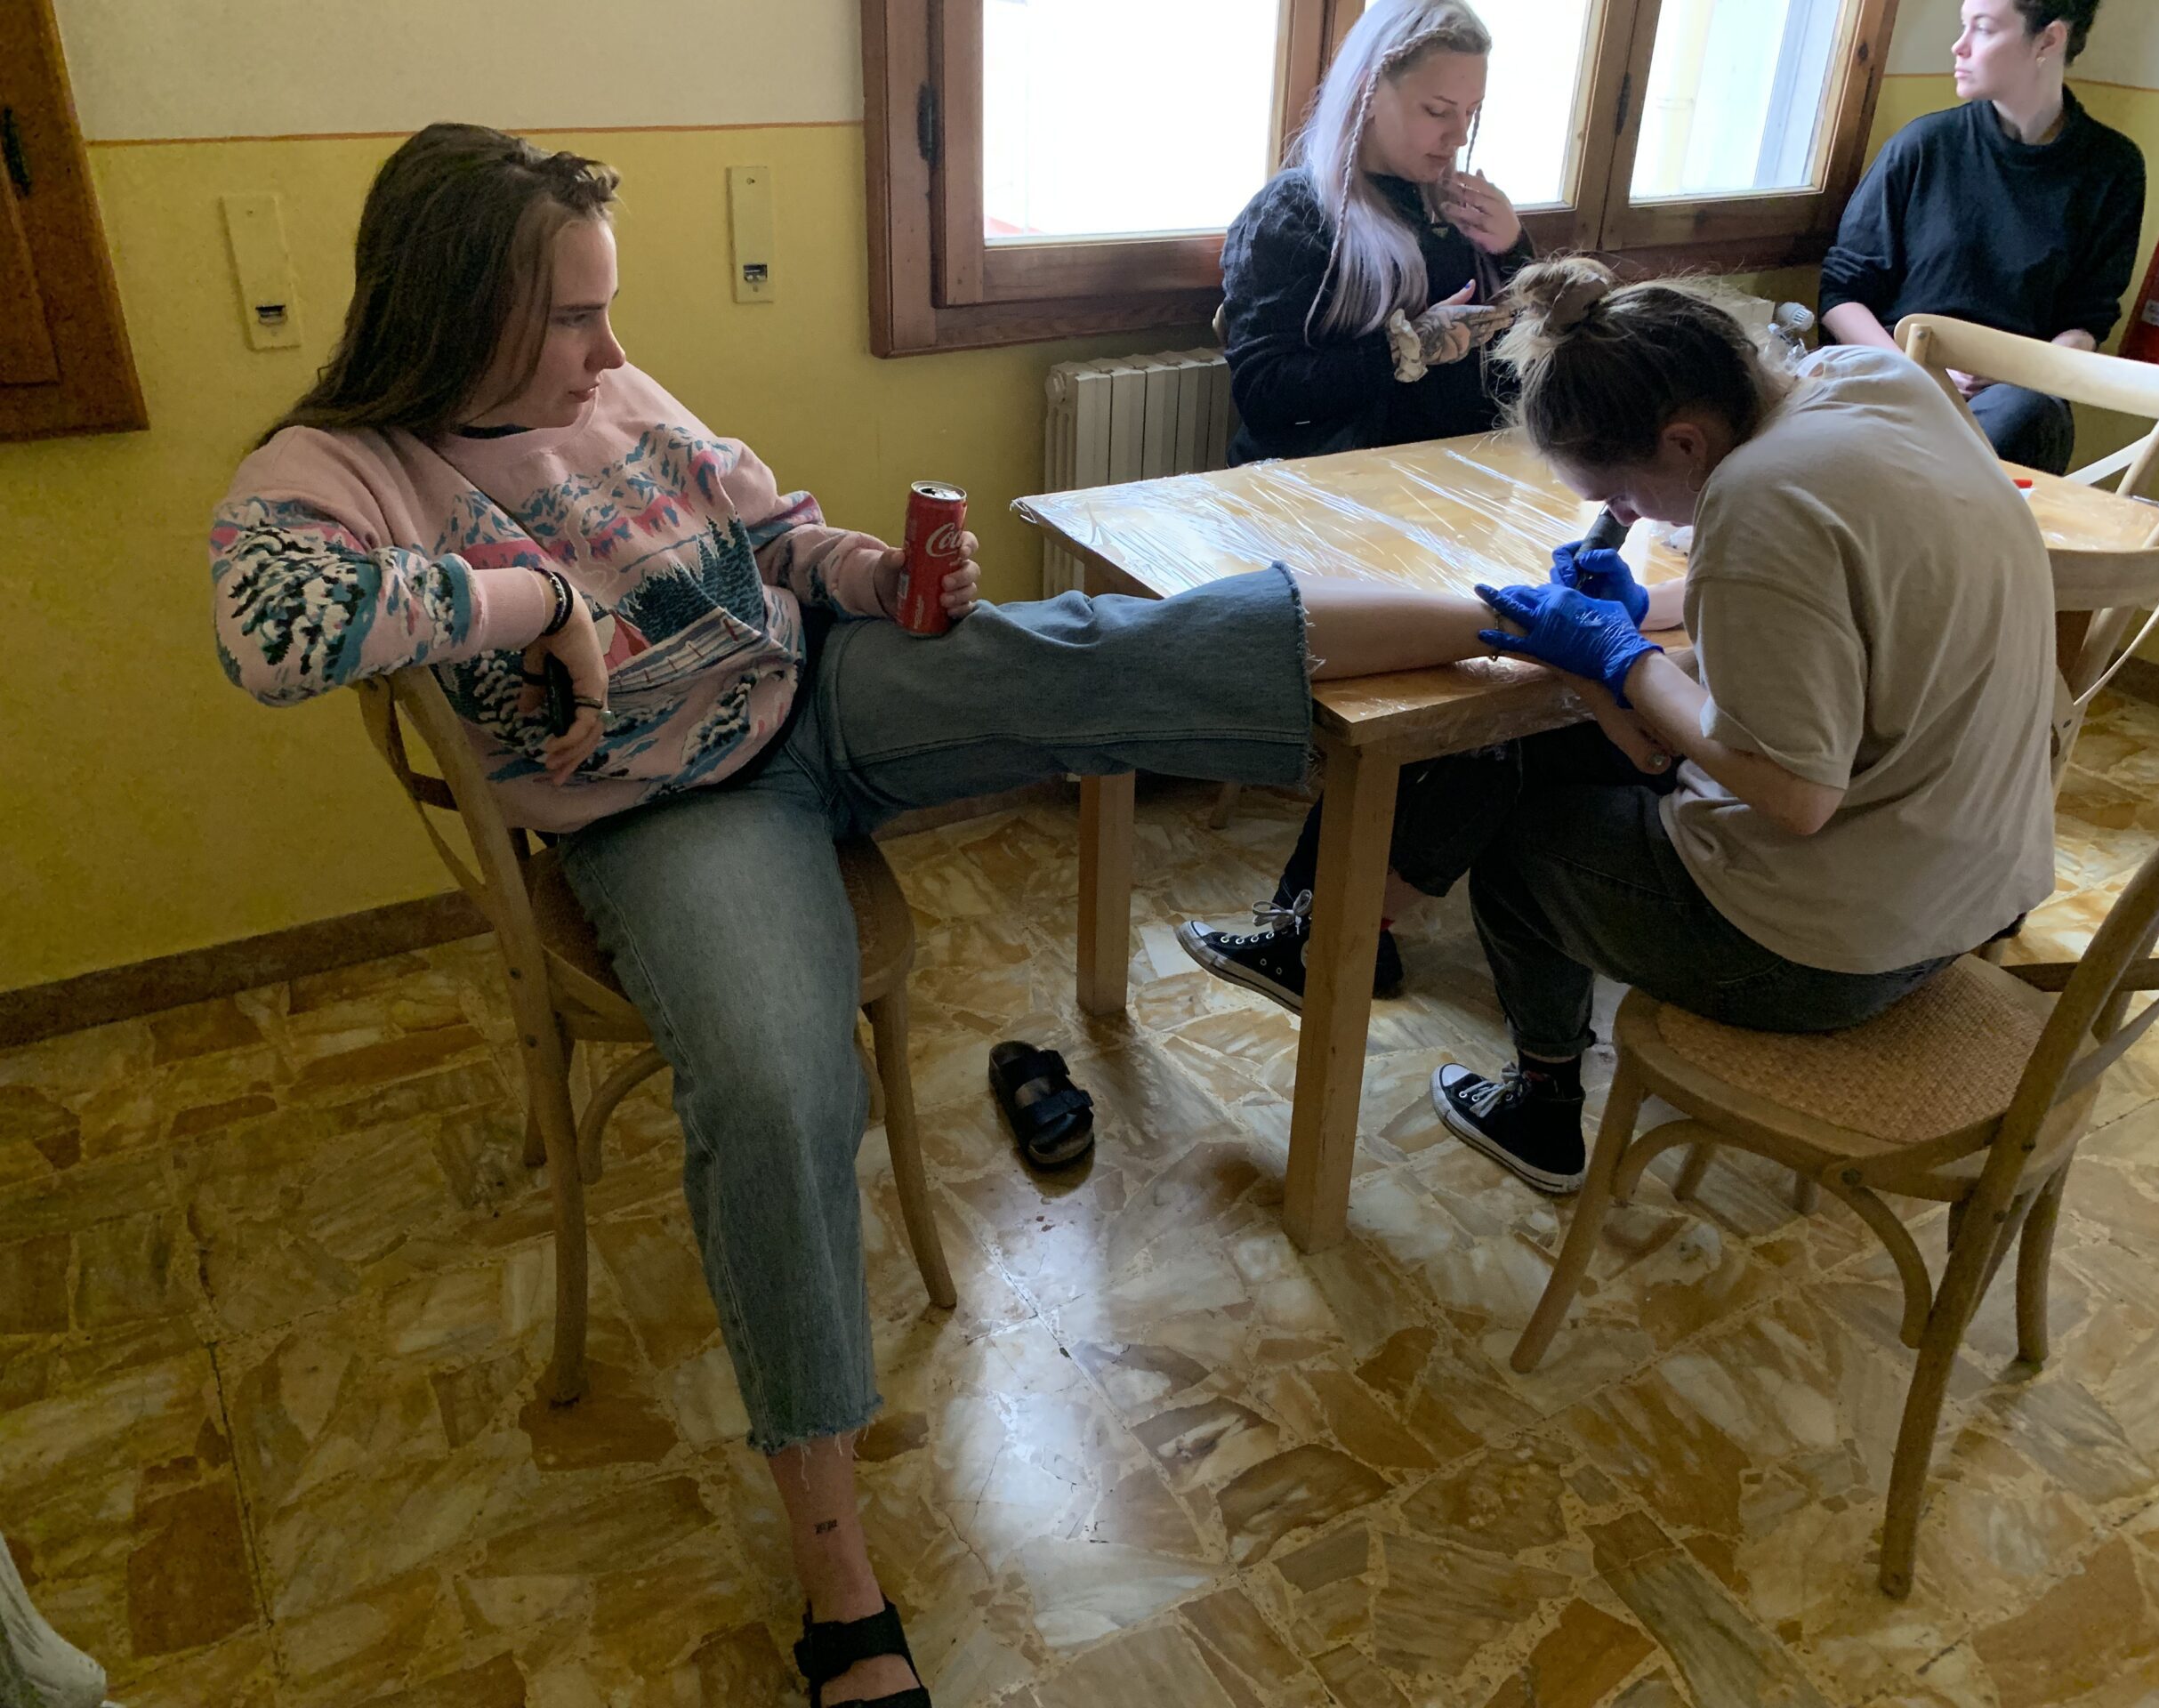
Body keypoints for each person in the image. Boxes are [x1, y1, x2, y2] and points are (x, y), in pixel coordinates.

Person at [208, 125, 1510, 1708]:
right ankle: (838, 1579)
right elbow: (274, 634)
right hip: (670, 812)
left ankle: (1529, 623)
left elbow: (765, 541)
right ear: (448, 305)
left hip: (823, 689)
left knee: (1090, 647)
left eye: (607, 314)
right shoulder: (342, 468)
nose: (611, 354)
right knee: (771, 1083)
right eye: (571, 318)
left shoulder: (608, 391)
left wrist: (867, 572)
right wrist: (537, 599)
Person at [1429, 257, 2058, 1196]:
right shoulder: (1874, 382)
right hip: (1983, 887)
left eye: (1621, 498)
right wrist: (1650, 628)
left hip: (1847, 949)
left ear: (1684, 442)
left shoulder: (1757, 499)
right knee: (1601, 755)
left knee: (1523, 861)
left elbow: (1797, 795)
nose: (1621, 518)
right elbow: (1849, 633)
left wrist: (1625, 659)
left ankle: (1541, 1110)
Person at [1187, 0, 1538, 1007]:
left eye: (1468, 114)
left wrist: (1514, 252)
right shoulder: (1296, 215)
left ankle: (1335, 915)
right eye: (1435, 108)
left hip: (1440, 498)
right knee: (1476, 686)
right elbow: (1268, 392)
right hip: (1319, 507)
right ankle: (1331, 913)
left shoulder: (1457, 212)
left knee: (1525, 681)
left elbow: (1523, 356)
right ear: (1368, 90)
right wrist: (1407, 345)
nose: (1453, 137)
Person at [1818, 0, 2145, 474]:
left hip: (2011, 399)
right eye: (1962, 26)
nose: (1959, 46)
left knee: (2023, 416)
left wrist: (2011, 368)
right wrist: (1917, 375)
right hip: (1895, 377)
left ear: (2049, 40)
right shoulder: (1924, 145)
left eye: (1984, 29)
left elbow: (2086, 321)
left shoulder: (2113, 168)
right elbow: (1841, 295)